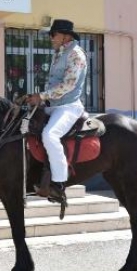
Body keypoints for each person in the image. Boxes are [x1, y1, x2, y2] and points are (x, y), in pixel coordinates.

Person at [26, 19, 88, 202]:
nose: (51, 38)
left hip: (68, 107)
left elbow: (68, 84)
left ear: (65, 36)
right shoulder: (59, 53)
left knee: (49, 135)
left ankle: (59, 185)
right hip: (53, 106)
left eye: (53, 34)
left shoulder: (76, 54)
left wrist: (42, 96)